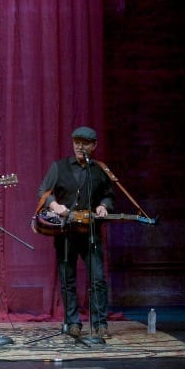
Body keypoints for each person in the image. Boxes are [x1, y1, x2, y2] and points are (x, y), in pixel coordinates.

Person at [37, 126, 115, 339]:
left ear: (94, 145)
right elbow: (43, 192)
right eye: (77, 142)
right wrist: (54, 205)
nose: (80, 147)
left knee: (97, 279)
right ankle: (72, 322)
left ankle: (100, 324)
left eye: (85, 143)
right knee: (67, 279)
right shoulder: (59, 167)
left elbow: (108, 195)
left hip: (90, 231)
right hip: (65, 233)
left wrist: (104, 206)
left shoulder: (99, 170)